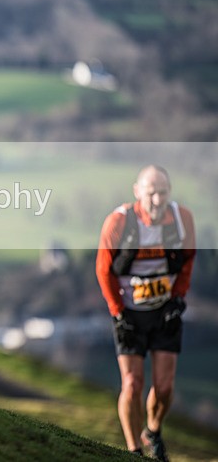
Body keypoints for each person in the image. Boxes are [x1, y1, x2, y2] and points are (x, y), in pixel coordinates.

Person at [95, 165, 196, 461]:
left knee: (164, 388)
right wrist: (117, 312)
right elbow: (103, 270)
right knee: (132, 383)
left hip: (165, 309)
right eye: (151, 192)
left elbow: (189, 259)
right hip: (129, 312)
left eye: (162, 192)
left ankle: (152, 430)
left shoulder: (181, 219)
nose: (156, 199)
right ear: (137, 191)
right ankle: (134, 451)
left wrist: (178, 299)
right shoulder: (119, 221)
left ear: (170, 192)